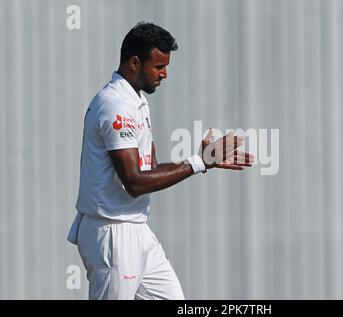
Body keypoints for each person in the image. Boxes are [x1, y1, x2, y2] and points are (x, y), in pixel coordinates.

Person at [67, 22, 254, 300]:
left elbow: (149, 171)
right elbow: (134, 182)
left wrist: (204, 161)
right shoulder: (115, 105)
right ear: (134, 62)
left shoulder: (136, 102)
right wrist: (197, 163)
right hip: (113, 232)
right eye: (158, 67)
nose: (164, 74)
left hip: (136, 227)